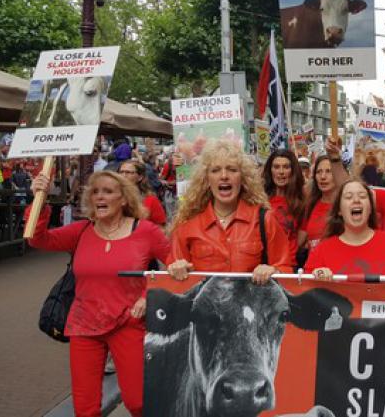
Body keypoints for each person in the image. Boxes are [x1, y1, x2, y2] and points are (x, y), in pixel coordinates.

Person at [26, 170, 170, 417]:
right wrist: (40, 197)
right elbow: (38, 239)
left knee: (138, 402)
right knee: (85, 408)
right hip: (84, 324)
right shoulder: (81, 231)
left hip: (128, 323)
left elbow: (176, 265)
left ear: (124, 199)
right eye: (94, 191)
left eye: (108, 191)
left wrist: (148, 296)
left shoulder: (145, 231)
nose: (99, 197)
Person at [166, 141, 293, 284]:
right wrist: (176, 269)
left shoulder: (265, 219)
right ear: (207, 179)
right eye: (215, 170)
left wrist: (274, 271)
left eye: (232, 169)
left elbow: (286, 270)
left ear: (243, 178)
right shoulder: (188, 225)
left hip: (251, 305)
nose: (224, 176)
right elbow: (173, 285)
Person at [305, 180, 385, 281]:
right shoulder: (323, 250)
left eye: (362, 196)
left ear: (370, 208)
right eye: (348, 197)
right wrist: (316, 276)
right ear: (339, 211)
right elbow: (303, 289)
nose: (356, 200)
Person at [262, 150, 306, 268]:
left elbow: (300, 240)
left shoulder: (301, 202)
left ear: (293, 171)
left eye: (286, 167)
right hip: (263, 268)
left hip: (289, 267)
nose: (281, 172)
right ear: (270, 170)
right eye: (276, 167)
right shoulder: (260, 201)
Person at [298, 155, 340, 254]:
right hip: (312, 266)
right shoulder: (309, 205)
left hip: (337, 267)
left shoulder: (345, 207)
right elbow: (299, 241)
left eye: (328, 171)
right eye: (319, 172)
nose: (323, 177)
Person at [118, 160, 167, 227]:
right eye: (121, 172)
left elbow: (160, 227)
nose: (123, 175)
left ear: (140, 177)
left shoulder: (150, 200)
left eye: (128, 172)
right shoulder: (112, 198)